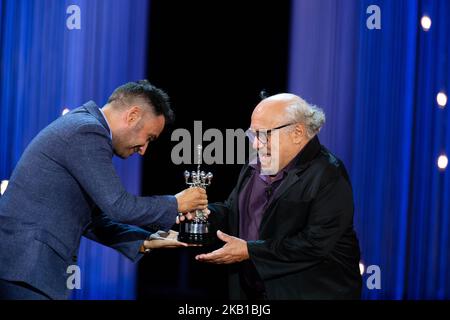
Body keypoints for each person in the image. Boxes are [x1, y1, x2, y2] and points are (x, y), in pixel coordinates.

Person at [0, 80, 207, 300]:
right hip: (26, 267)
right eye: (148, 138)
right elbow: (119, 206)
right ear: (132, 115)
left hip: (27, 270)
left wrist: (146, 240)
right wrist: (176, 203)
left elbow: (93, 220)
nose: (144, 150)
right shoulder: (87, 131)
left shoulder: (83, 126)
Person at [195, 93, 362, 299]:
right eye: (252, 135)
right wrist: (202, 214)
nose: (255, 144)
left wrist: (250, 251)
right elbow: (233, 211)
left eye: (263, 134)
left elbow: (314, 244)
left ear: (297, 133)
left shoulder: (328, 174)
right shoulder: (253, 166)